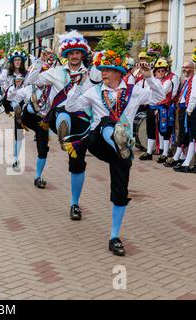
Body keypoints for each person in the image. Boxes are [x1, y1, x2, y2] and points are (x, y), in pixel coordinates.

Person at [65, 49, 165, 256]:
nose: (103, 73)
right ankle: (115, 138)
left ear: (118, 72)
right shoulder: (93, 92)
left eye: (108, 70)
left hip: (123, 151)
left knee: (120, 192)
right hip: (99, 142)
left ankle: (114, 237)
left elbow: (159, 97)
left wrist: (149, 77)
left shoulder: (134, 90)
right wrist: (75, 85)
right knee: (105, 122)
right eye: (101, 70)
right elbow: (71, 106)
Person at [26, 30, 100, 221]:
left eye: (77, 52)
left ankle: (75, 203)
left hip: (82, 122)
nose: (74, 56)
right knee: (63, 112)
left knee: (77, 165)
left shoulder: (92, 74)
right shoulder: (56, 72)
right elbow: (31, 80)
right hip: (58, 116)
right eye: (71, 53)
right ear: (66, 54)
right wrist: (40, 62)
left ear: (82, 54)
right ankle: (62, 134)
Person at [8, 48, 56, 188]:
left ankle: (38, 176)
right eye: (40, 74)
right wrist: (13, 90)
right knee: (27, 110)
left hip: (42, 122)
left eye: (45, 75)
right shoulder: (28, 88)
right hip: (27, 118)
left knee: (42, 149)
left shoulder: (53, 90)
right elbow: (12, 97)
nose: (42, 78)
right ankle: (16, 157)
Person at [0, 46, 28, 166]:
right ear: (12, 62)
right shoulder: (6, 73)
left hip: (20, 102)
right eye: (15, 60)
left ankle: (16, 157)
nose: (17, 62)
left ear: (22, 62)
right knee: (12, 104)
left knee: (19, 130)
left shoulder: (26, 74)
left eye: (19, 60)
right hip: (8, 101)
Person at [139, 58, 174, 162]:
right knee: (150, 130)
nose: (161, 73)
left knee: (164, 130)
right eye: (158, 71)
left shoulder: (168, 82)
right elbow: (146, 94)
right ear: (155, 72)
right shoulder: (152, 81)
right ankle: (149, 152)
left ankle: (165, 153)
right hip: (151, 107)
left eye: (163, 70)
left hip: (162, 109)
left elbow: (161, 94)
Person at [165, 61, 194, 169]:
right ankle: (181, 156)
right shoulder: (186, 81)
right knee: (182, 132)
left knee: (184, 132)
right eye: (183, 67)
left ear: (192, 68)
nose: (184, 69)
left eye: (187, 67)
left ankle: (178, 157)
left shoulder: (193, 80)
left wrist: (189, 108)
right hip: (181, 108)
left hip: (187, 108)